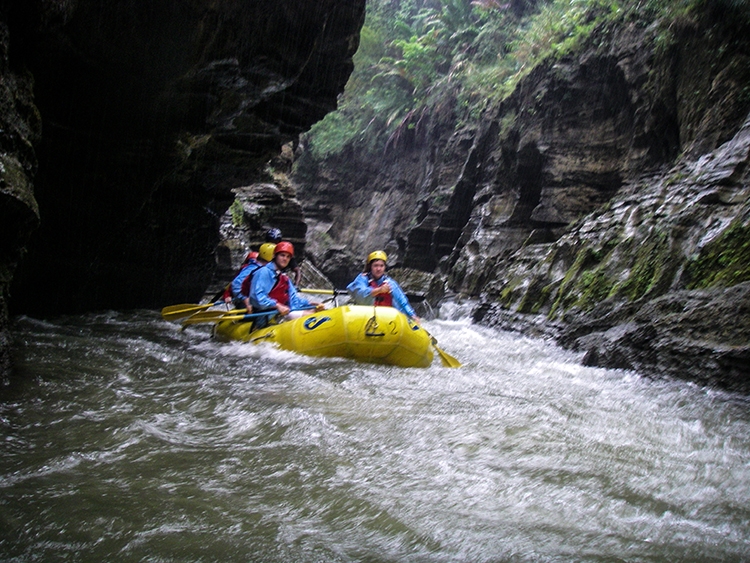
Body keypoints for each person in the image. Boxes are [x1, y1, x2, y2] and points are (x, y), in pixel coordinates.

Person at [250, 241, 322, 325]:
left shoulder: (284, 278)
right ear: (274, 256)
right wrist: (277, 305)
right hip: (267, 317)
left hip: (282, 314)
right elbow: (256, 297)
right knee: (313, 317)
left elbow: (294, 300)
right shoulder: (264, 272)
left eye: (288, 257)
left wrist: (310, 304)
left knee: (316, 311)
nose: (285, 259)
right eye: (282, 255)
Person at [347, 250, 419, 322]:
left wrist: (412, 316)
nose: (378, 269)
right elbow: (360, 294)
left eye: (381, 266)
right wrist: (379, 290)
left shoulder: (390, 283)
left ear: (384, 267)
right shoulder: (362, 278)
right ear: (370, 267)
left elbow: (402, 301)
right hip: (365, 317)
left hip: (387, 320)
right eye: (375, 266)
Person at [228, 243, 275, 312]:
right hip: (247, 304)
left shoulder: (268, 269)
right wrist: (244, 299)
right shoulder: (252, 268)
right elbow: (236, 284)